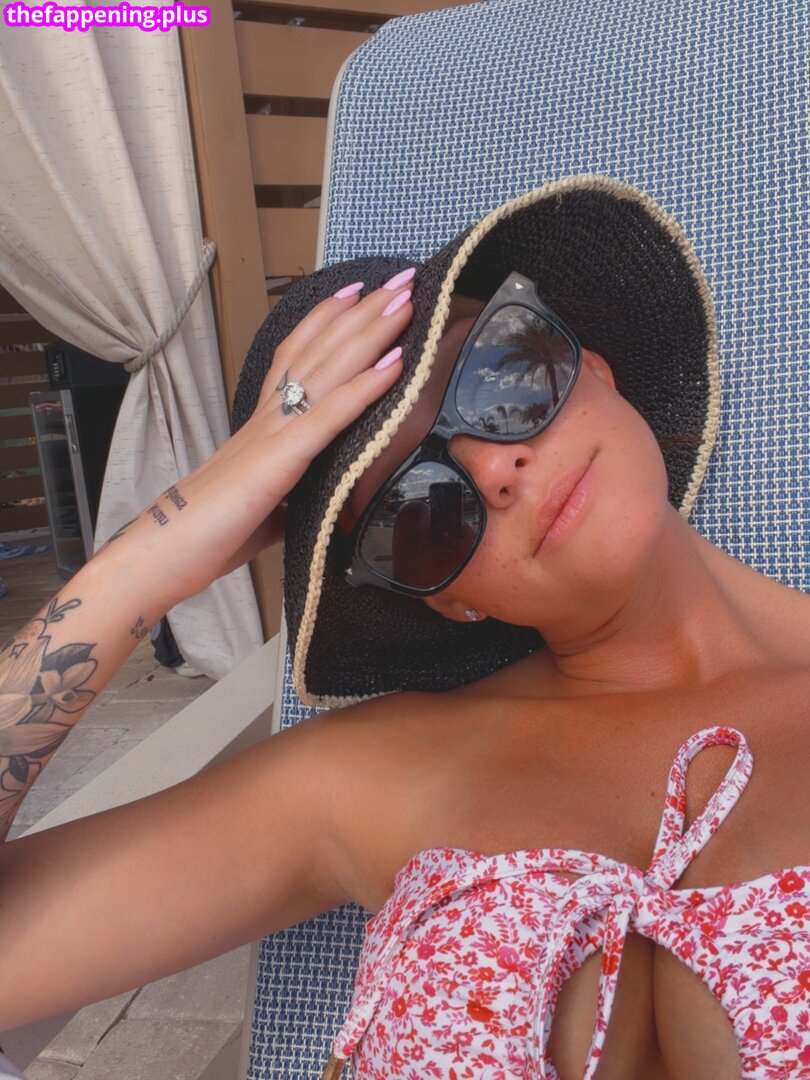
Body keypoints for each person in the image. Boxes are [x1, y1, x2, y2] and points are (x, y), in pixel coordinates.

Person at [0, 176, 808, 1079]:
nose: (496, 469)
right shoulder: (364, 776)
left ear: (592, 361)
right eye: (423, 512)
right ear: (446, 598)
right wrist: (153, 555)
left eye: (500, 373)